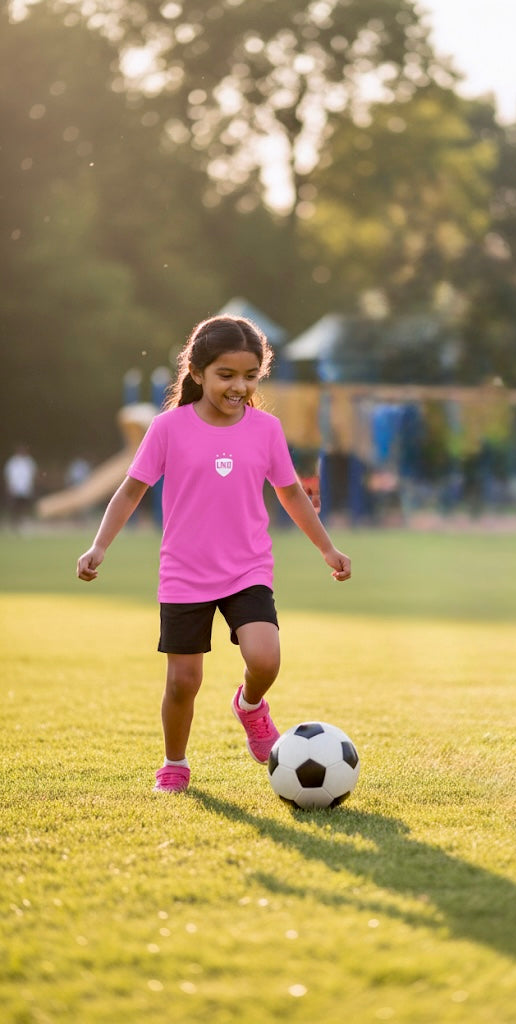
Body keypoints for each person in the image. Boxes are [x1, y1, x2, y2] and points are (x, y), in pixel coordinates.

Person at [76, 316, 351, 793]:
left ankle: (249, 707)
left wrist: (327, 548)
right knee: (184, 681)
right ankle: (175, 763)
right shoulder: (168, 429)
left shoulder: (266, 430)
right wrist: (100, 545)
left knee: (265, 659)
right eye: (227, 375)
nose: (239, 386)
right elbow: (129, 492)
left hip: (248, 567)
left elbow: (290, 494)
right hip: (184, 573)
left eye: (250, 376)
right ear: (198, 373)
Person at [4, 444, 38, 530]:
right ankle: (14, 524)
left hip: (25, 489)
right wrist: (9, 487)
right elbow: (8, 475)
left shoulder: (29, 462)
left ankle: (23, 523)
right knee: (14, 507)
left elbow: (32, 475)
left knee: (24, 507)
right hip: (15, 488)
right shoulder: (12, 462)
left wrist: (32, 486)